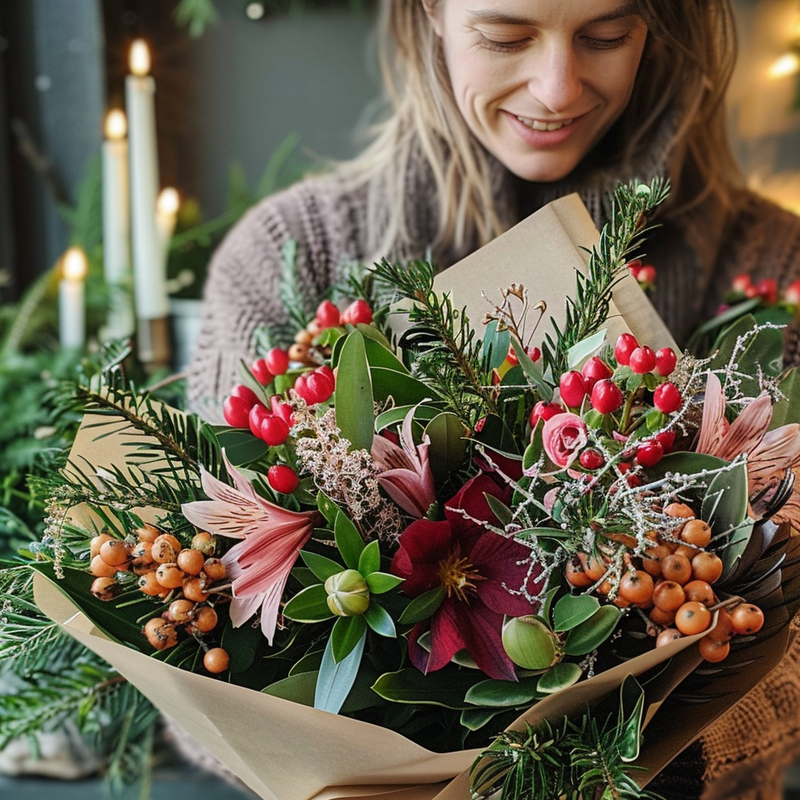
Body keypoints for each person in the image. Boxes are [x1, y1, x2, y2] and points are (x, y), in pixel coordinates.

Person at [186, 1, 800, 797]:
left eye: (605, 35)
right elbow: (195, 643)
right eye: (506, 36)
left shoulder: (771, 271)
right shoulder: (289, 262)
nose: (556, 87)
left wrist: (643, 759)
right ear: (427, 14)